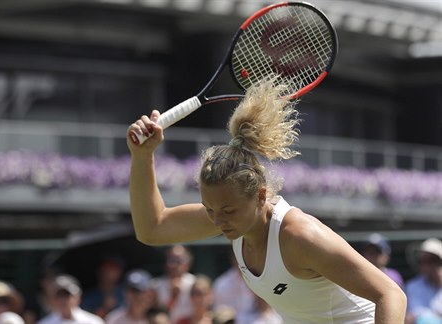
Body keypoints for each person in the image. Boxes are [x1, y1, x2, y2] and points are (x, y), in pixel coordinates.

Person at [126, 76, 407, 323]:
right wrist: (142, 157)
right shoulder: (232, 221)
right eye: (210, 209)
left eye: (228, 210)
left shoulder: (301, 236)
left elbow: (390, 294)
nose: (218, 221)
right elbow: (153, 228)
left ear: (261, 196)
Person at [152, 245, 196, 323]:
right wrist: (173, 297)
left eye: (179, 260)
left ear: (189, 263)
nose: (175, 264)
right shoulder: (156, 285)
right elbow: (154, 315)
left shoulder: (195, 283)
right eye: (171, 260)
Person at [37, 274, 104, 324]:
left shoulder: (93, 321)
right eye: (59, 296)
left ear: (78, 297)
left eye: (67, 295)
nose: (63, 300)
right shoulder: (44, 323)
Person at [405, 238, 442, 324]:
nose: (426, 265)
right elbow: (416, 314)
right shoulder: (413, 286)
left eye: (432, 260)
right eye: (422, 261)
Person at [212, 251, 254, 317]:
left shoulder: (257, 281)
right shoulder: (221, 283)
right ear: (233, 258)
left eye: (245, 256)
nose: (242, 260)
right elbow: (217, 311)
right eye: (238, 256)